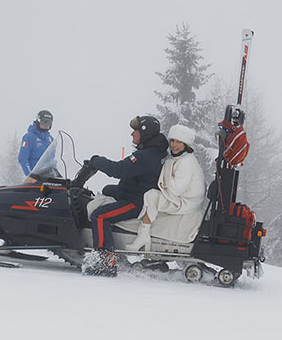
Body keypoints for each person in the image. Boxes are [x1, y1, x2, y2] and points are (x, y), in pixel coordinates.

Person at [83, 115, 168, 274]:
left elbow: (119, 170)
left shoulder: (146, 156)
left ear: (145, 132)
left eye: (134, 131)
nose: (132, 134)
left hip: (135, 202)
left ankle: (105, 262)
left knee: (100, 216)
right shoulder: (156, 150)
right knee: (108, 189)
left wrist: (97, 160)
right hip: (136, 191)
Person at [126, 123, 206, 252]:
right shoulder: (180, 158)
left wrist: (166, 170)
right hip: (184, 198)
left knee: (151, 195)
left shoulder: (186, 162)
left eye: (179, 142)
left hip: (187, 202)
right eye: (172, 140)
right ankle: (143, 234)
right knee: (151, 194)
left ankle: (143, 236)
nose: (174, 145)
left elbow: (175, 189)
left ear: (186, 145)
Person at [18, 109, 54, 177]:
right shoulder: (29, 137)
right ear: (38, 122)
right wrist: (30, 175)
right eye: (44, 122)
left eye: (48, 123)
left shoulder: (50, 139)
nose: (46, 125)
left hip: (47, 177)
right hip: (35, 177)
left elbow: (52, 160)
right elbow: (23, 158)